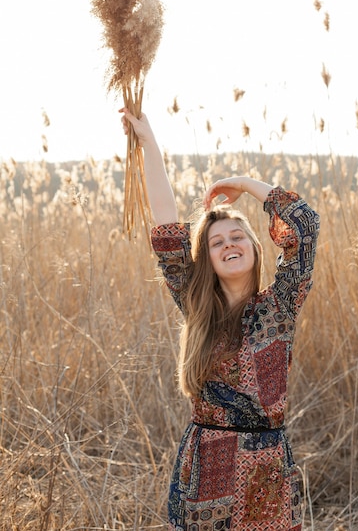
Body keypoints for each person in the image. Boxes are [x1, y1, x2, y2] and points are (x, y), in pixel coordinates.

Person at [120, 108, 320, 531]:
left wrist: (247, 185)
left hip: (266, 472)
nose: (229, 245)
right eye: (216, 242)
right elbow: (166, 223)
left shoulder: (278, 306)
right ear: (206, 257)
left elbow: (305, 226)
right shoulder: (196, 304)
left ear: (253, 246)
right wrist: (149, 141)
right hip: (206, 464)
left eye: (237, 236)